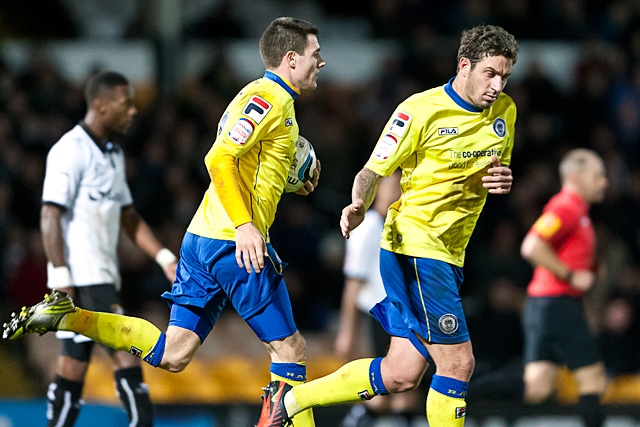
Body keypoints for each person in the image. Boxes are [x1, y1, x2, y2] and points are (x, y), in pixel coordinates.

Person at [3, 17, 324, 427]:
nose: (322, 63)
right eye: (316, 54)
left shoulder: (257, 97)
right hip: (233, 242)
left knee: (173, 354)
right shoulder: (271, 99)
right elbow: (218, 158)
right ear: (291, 59)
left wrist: (288, 178)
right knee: (290, 351)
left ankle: (68, 317)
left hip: (203, 239)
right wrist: (245, 225)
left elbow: (245, 163)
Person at [256, 24, 519, 427]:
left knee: (401, 372)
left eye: (505, 76)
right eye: (491, 73)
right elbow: (371, 170)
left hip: (449, 253)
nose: (498, 85)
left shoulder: (506, 113)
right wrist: (358, 203)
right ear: (464, 65)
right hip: (415, 247)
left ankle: (290, 403)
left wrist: (501, 180)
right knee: (458, 362)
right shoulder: (419, 110)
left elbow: (492, 170)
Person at [42, 71, 178, 427]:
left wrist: (164, 257)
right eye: (126, 103)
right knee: (130, 363)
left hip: (103, 277)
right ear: (100, 105)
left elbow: (127, 216)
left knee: (72, 370)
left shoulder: (114, 154)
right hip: (81, 281)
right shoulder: (69, 150)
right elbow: (49, 215)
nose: (133, 111)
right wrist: (60, 279)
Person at [520, 148, 608, 427]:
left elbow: (563, 252)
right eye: (597, 176)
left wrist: (589, 270)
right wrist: (571, 275)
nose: (604, 182)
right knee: (592, 379)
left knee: (538, 387)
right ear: (574, 176)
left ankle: (461, 390)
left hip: (542, 304)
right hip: (557, 304)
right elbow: (532, 246)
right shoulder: (566, 207)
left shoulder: (578, 211)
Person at [335, 170, 420, 427]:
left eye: (400, 187)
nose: (396, 192)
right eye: (391, 186)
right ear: (377, 190)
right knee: (387, 385)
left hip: (403, 311)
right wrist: (347, 332)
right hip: (378, 314)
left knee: (402, 384)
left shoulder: (400, 225)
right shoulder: (368, 226)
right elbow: (353, 283)